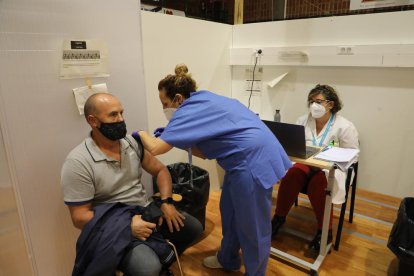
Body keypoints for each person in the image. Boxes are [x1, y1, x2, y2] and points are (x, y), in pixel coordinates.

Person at [137, 64, 292, 275]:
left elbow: (155, 148)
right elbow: (204, 151)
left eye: (165, 103)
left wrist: (140, 133)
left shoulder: (188, 110)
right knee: (229, 211)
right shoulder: (203, 100)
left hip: (252, 163)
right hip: (240, 162)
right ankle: (227, 259)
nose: (164, 109)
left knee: (253, 227)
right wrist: (176, 136)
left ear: (178, 99)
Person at [60, 93, 203, 276]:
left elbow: (161, 171)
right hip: (114, 225)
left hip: (144, 210)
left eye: (121, 113)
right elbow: (79, 217)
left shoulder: (130, 143)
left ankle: (162, 264)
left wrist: (166, 202)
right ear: (93, 121)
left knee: (193, 229)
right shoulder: (78, 162)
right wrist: (126, 227)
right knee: (147, 268)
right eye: (113, 115)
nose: (121, 119)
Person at [271, 84, 359, 252]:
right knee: (293, 174)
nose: (314, 106)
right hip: (305, 164)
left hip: (329, 169)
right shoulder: (303, 120)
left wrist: (332, 157)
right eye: (311, 101)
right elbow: (294, 144)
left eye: (318, 101)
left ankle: (325, 231)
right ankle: (278, 218)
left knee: (319, 183)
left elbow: (352, 154)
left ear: (331, 104)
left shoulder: (344, 126)